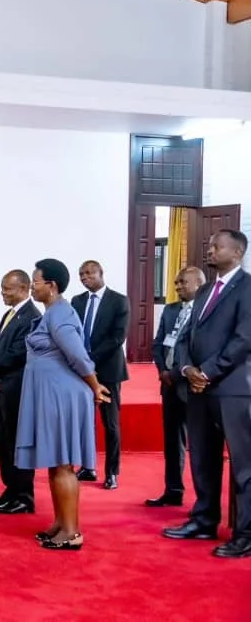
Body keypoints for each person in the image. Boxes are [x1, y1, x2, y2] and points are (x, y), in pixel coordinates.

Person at [165, 229, 251, 558]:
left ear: (237, 252)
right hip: (198, 388)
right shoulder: (203, 291)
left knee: (244, 466)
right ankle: (204, 520)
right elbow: (187, 334)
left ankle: (245, 534)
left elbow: (244, 338)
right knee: (202, 457)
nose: (211, 250)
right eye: (211, 245)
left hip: (232, 389)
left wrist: (208, 371)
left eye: (218, 246)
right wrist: (187, 368)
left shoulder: (247, 287)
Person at [17, 259, 110, 551]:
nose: (32, 287)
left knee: (63, 465)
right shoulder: (52, 313)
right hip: (51, 394)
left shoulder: (61, 314)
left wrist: (95, 385)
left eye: (35, 282)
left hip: (62, 396)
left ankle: (71, 532)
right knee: (56, 463)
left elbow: (78, 355)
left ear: (52, 285)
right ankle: (60, 523)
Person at [0, 269, 41, 514]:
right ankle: (11, 490)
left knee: (18, 442)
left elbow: (16, 354)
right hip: (2, 388)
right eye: (2, 288)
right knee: (5, 442)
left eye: (8, 288)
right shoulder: (11, 314)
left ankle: (24, 496)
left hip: (18, 391)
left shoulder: (32, 317)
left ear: (24, 289)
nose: (2, 293)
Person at [147, 266, 204, 507]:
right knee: (172, 442)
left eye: (183, 282)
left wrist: (177, 372)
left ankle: (204, 502)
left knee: (199, 446)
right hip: (169, 385)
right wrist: (162, 371)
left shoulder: (206, 311)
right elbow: (158, 343)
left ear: (198, 284)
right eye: (176, 283)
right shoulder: (170, 310)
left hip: (192, 386)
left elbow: (201, 349)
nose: (178, 286)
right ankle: (173, 491)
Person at [71, 260, 129, 490]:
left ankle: (112, 472)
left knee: (110, 424)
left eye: (89, 273)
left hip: (108, 370)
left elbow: (117, 337)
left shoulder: (119, 300)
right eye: (81, 274)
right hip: (81, 371)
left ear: (101, 273)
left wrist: (90, 360)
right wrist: (81, 362)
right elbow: (72, 333)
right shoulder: (77, 301)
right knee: (85, 422)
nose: (84, 277)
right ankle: (88, 467)